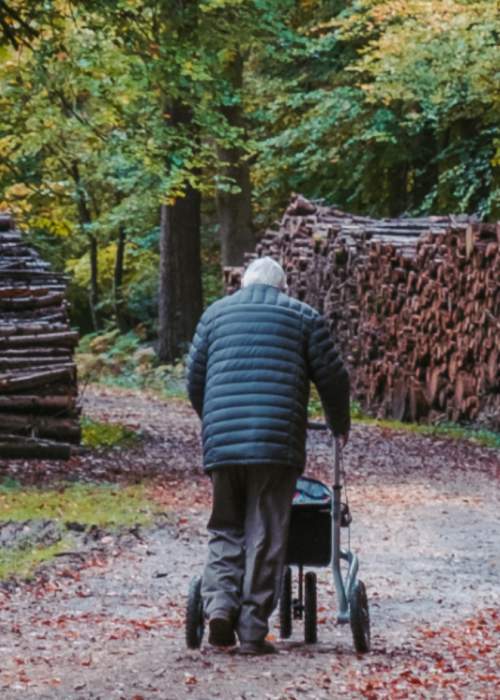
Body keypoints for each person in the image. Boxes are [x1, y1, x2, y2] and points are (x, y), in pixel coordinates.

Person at [187, 256, 350, 655]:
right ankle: (252, 627)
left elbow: (194, 379)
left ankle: (220, 607)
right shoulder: (303, 317)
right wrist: (338, 423)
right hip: (275, 446)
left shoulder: (214, 316)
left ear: (243, 284)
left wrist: (213, 421)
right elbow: (333, 377)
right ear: (283, 286)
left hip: (223, 445)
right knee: (265, 531)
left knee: (225, 527)